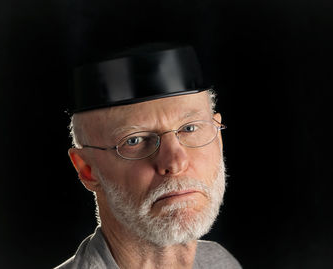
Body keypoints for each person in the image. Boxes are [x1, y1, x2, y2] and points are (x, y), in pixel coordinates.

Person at [55, 43, 242, 269]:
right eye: (135, 140)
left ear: (218, 138)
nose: (175, 162)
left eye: (190, 128)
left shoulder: (221, 262)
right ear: (86, 169)